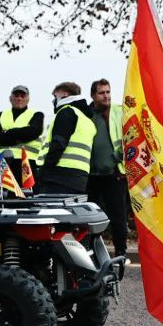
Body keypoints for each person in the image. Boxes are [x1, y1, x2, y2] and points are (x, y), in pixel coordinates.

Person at [85, 78, 128, 254]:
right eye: (102, 93)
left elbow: (131, 136)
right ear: (93, 95)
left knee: (118, 217)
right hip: (90, 175)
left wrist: (119, 158)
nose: (106, 96)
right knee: (87, 217)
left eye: (108, 92)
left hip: (114, 173)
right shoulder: (86, 114)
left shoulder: (119, 111)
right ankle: (88, 251)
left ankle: (121, 253)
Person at [36, 81, 96, 195]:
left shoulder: (66, 112)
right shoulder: (87, 120)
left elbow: (58, 144)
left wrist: (44, 171)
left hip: (59, 177)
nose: (53, 100)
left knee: (51, 212)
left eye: (55, 96)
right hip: (80, 179)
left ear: (64, 94)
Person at [0, 84, 45, 186]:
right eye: (16, 95)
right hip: (3, 161)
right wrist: (18, 138)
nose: (19, 98)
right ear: (10, 98)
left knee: (27, 196)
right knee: (3, 195)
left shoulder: (37, 114)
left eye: (22, 96)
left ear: (28, 99)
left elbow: (32, 132)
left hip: (27, 162)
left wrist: (7, 132)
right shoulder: (1, 115)